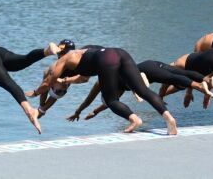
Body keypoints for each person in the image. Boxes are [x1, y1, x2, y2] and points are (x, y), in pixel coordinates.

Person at [27, 45, 178, 134]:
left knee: (110, 100)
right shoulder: (80, 53)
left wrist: (34, 93)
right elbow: (83, 78)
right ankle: (169, 118)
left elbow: (47, 83)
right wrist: (78, 107)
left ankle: (134, 119)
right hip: (120, 52)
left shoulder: (62, 61)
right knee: (143, 91)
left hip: (106, 60)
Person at [65, 59, 213, 121]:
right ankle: (206, 79)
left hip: (147, 72)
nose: (117, 97)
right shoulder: (110, 82)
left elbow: (91, 98)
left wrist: (84, 110)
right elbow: (104, 101)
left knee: (171, 78)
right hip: (150, 63)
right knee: (178, 73)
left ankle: (199, 86)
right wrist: (93, 111)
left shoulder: (105, 82)